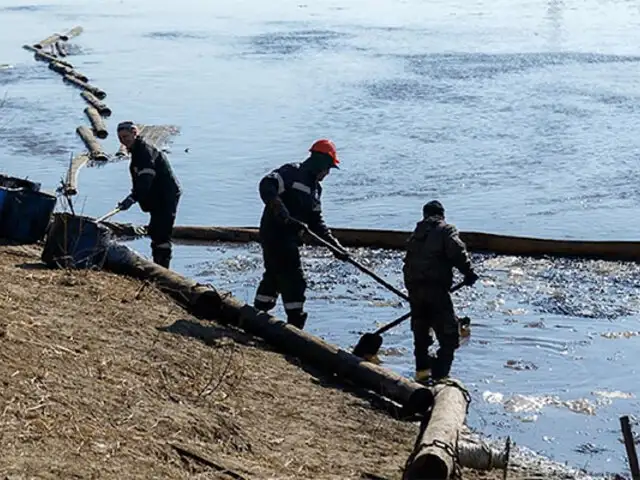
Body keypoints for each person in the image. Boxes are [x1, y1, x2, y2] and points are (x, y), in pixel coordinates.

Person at [254, 139, 349, 329]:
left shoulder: (315, 190)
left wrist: (335, 247)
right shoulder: (291, 172)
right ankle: (295, 323)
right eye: (328, 168)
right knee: (294, 280)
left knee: (274, 275)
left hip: (291, 238)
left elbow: (317, 224)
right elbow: (266, 185)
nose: (328, 173)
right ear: (320, 162)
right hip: (274, 234)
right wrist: (279, 209)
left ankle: (257, 314)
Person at [402, 200, 479, 383]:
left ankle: (421, 374)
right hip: (435, 290)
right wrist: (469, 273)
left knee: (421, 336)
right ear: (442, 214)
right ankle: (440, 376)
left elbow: (407, 263)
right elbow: (458, 252)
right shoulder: (446, 230)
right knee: (450, 337)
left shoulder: (416, 234)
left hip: (415, 290)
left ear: (424, 215)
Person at [115, 121, 182, 269]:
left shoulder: (144, 152)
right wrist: (135, 196)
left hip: (166, 195)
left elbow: (146, 179)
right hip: (155, 196)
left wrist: (133, 198)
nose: (123, 141)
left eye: (125, 136)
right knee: (154, 230)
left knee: (161, 233)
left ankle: (163, 271)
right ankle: (158, 266)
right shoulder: (136, 151)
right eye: (120, 138)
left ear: (134, 133)